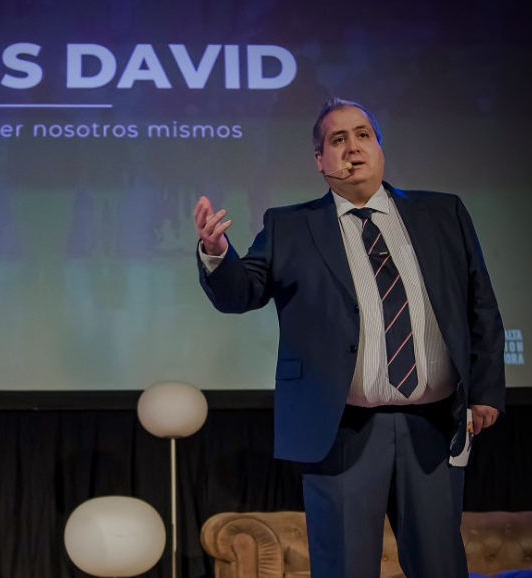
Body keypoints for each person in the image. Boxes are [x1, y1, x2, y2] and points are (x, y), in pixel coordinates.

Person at [194, 98, 505, 578]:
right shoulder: (289, 226)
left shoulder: (443, 212)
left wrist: (484, 389)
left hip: (434, 425)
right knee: (344, 568)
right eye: (338, 140)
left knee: (441, 565)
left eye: (363, 135)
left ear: (380, 148)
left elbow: (479, 303)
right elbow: (242, 293)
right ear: (320, 160)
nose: (353, 148)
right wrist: (216, 253)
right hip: (341, 429)